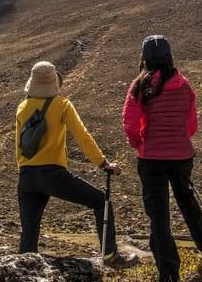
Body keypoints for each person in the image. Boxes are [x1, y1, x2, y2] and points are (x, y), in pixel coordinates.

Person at [15, 61, 136, 268]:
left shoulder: (22, 107)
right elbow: (82, 136)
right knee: (100, 201)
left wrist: (26, 172)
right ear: (54, 82)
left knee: (29, 233)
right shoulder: (62, 105)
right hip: (52, 174)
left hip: (26, 177)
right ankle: (110, 257)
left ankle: (23, 271)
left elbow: (19, 145)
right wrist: (103, 163)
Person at [122, 35, 202, 282]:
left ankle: (168, 272)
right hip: (182, 155)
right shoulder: (184, 84)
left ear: (144, 58)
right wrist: (177, 138)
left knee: (158, 214)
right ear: (169, 57)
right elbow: (191, 125)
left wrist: (139, 143)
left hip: (151, 157)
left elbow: (130, 122)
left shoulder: (140, 85)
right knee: (187, 200)